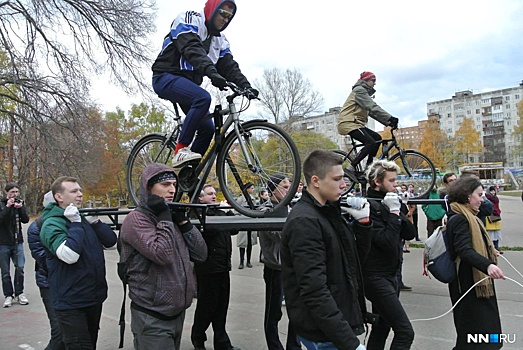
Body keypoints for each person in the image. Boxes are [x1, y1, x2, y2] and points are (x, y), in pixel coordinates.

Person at [281, 150, 372, 350]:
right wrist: (350, 343)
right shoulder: (305, 222)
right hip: (324, 334)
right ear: (316, 181)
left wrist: (363, 224)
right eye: (337, 179)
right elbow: (315, 291)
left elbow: (354, 263)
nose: (344, 185)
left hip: (334, 328)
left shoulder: (329, 212)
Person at [151, 0, 259, 168]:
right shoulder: (189, 19)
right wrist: (211, 72)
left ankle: (189, 176)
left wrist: (246, 86)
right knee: (202, 98)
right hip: (165, 76)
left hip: (187, 85)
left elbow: (229, 66)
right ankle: (180, 150)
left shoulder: (220, 40)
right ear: (212, 9)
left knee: (207, 129)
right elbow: (191, 47)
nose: (226, 19)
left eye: (229, 16)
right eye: (223, 13)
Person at [120, 163, 207, 350]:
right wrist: (164, 218)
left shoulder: (169, 217)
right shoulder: (136, 220)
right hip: (152, 318)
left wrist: (183, 222)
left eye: (174, 185)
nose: (172, 190)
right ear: (148, 188)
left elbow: (201, 254)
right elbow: (163, 255)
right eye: (165, 184)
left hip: (177, 314)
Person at [40, 176, 117, 349]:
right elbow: (69, 256)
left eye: (80, 190)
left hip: (93, 298)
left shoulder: (80, 217)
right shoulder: (52, 223)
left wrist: (96, 223)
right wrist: (75, 224)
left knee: (89, 343)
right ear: (59, 197)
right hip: (70, 302)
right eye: (74, 191)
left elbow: (112, 243)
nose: (80, 194)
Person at [446, 177, 505, 350]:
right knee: (475, 338)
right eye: (479, 195)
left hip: (477, 284)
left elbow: (469, 246)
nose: (482, 199)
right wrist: (488, 265)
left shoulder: (469, 216)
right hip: (468, 286)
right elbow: (464, 250)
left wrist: (488, 251)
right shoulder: (459, 219)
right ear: (466, 196)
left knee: (486, 338)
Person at [364, 160, 416, 349]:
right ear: (377, 182)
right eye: (392, 181)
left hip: (391, 274)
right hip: (375, 276)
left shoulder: (390, 200)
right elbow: (386, 242)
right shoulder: (368, 206)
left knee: (382, 327)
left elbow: (410, 233)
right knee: (405, 332)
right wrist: (393, 213)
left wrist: (399, 211)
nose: (395, 185)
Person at [191, 184, 240, 350]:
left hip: (223, 267)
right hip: (207, 269)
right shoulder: (197, 214)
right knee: (206, 307)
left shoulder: (219, 212)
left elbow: (234, 228)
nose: (214, 196)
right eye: (210, 194)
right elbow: (209, 230)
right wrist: (223, 215)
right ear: (200, 197)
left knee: (221, 307)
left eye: (215, 193)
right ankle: (198, 338)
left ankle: (222, 341)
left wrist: (230, 212)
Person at [258, 174, 300, 350]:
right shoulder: (266, 210)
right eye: (284, 186)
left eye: (289, 185)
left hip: (294, 267)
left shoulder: (293, 207)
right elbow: (281, 236)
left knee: (297, 311)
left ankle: (294, 346)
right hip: (275, 267)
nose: (288, 189)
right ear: (272, 189)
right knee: (274, 312)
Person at [337, 71, 398, 182]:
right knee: (370, 142)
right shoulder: (359, 91)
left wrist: (389, 123)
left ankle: (368, 169)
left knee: (377, 139)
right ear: (366, 80)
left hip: (355, 123)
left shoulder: (363, 93)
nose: (375, 83)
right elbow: (373, 106)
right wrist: (390, 117)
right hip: (348, 123)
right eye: (373, 80)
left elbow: (372, 112)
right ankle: (350, 168)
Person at [26, 190, 65, 350]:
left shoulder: (71, 221)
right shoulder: (36, 227)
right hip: (49, 284)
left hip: (73, 284)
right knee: (59, 331)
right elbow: (43, 260)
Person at [0, 182, 30, 308]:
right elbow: (1, 220)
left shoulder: (19, 203)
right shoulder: (2, 204)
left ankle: (20, 293)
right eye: (12, 192)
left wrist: (21, 208)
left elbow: (26, 220)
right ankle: (8, 295)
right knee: (5, 271)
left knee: (20, 268)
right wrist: (7, 207)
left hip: (17, 242)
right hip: (3, 243)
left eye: (16, 192)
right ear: (6, 193)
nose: (14, 194)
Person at [236, 182, 257, 269]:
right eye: (251, 188)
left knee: (249, 243)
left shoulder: (253, 199)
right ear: (247, 189)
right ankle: (241, 261)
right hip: (243, 222)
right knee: (242, 244)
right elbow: (236, 211)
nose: (253, 190)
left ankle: (248, 261)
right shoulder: (240, 199)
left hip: (251, 222)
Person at [485, 186, 502, 253]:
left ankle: (496, 247)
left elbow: (497, 207)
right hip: (490, 218)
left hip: (496, 217)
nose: (493, 192)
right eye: (491, 191)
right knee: (490, 234)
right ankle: (490, 248)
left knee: (497, 234)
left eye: (494, 191)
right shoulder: (486, 198)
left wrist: (498, 212)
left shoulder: (496, 199)